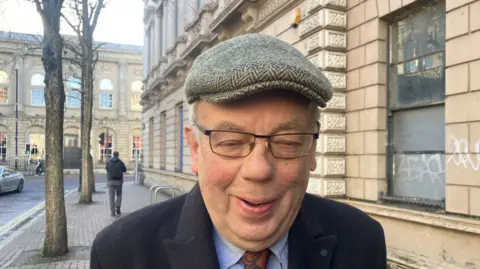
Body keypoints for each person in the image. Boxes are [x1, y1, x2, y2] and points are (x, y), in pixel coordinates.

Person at [90, 34, 387, 269]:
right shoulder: (121, 255)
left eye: (288, 142)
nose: (258, 170)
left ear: (312, 152)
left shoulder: (362, 241)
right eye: (231, 142)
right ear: (195, 148)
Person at [105, 151, 126, 217]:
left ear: (113, 155)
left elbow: (107, 169)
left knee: (111, 197)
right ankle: (118, 207)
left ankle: (112, 212)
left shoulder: (109, 162)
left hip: (111, 181)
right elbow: (124, 170)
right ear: (118, 155)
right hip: (119, 182)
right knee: (119, 195)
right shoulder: (120, 162)